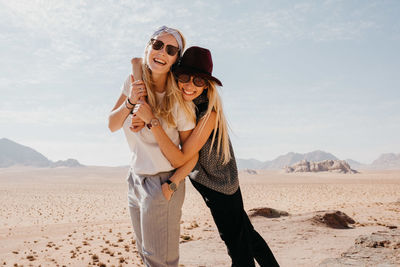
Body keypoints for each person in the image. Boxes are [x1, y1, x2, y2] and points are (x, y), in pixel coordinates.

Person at [132, 46, 280, 267]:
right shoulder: (182, 102)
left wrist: (173, 181)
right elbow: (137, 62)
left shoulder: (208, 113)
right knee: (247, 236)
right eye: (185, 77)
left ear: (207, 84)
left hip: (220, 186)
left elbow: (184, 156)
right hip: (207, 181)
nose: (190, 85)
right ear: (176, 76)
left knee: (235, 243)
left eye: (199, 81)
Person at [108, 26, 197, 267]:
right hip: (135, 179)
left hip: (161, 182)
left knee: (161, 263)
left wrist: (171, 185)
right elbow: (112, 124)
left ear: (176, 58)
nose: (162, 52)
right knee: (146, 256)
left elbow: (189, 155)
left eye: (170, 50)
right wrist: (130, 102)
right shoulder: (133, 81)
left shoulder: (179, 97)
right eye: (157, 44)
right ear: (148, 47)